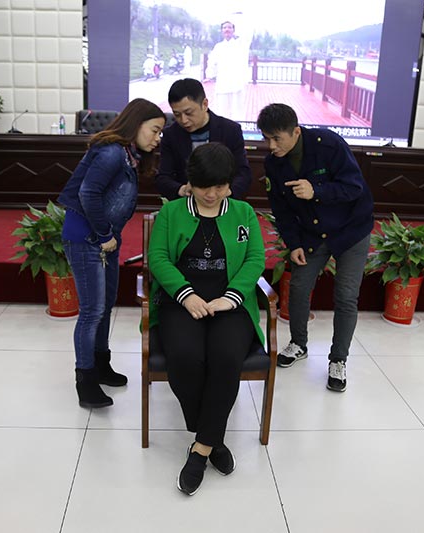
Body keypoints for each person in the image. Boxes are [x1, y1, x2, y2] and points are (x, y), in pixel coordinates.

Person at [148, 142, 265, 496]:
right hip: (181, 302)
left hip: (230, 304)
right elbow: (158, 258)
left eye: (220, 186)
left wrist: (232, 297)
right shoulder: (172, 212)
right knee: (186, 357)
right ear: (190, 182)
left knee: (226, 357)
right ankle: (213, 439)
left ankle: (201, 448)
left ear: (230, 183)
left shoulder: (243, 212)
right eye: (203, 187)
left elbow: (255, 259)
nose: (212, 194)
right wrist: (186, 294)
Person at [256, 103, 373, 392]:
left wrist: (316, 190)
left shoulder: (329, 144)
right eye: (266, 139)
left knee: (346, 296)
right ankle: (299, 343)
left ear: (296, 131)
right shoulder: (273, 163)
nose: (271, 146)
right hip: (312, 232)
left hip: (351, 230)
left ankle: (338, 359)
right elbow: (281, 210)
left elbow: (354, 187)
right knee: (298, 288)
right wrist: (294, 243)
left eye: (277, 139)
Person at [58, 98, 165, 408]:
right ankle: (85, 380)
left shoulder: (127, 154)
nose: (157, 138)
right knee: (92, 311)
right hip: (87, 238)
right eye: (154, 130)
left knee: (104, 306)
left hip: (105, 239)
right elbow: (87, 193)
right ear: (136, 123)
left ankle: (101, 365)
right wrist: (105, 235)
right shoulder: (111, 153)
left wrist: (108, 236)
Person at [155, 78, 252, 201]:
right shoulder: (171, 135)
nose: (183, 120)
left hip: (224, 202)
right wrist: (181, 189)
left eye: (189, 113)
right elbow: (163, 177)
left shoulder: (230, 130)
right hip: (186, 203)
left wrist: (228, 192)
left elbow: (243, 173)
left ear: (205, 104)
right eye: (177, 114)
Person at [205, 14, 253, 119]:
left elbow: (248, 33)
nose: (227, 29)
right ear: (222, 31)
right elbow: (212, 62)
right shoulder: (218, 47)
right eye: (224, 27)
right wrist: (209, 75)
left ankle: (238, 128)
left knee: (237, 112)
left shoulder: (241, 44)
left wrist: (242, 17)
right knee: (222, 111)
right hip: (222, 84)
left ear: (233, 30)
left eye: (229, 27)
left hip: (237, 84)